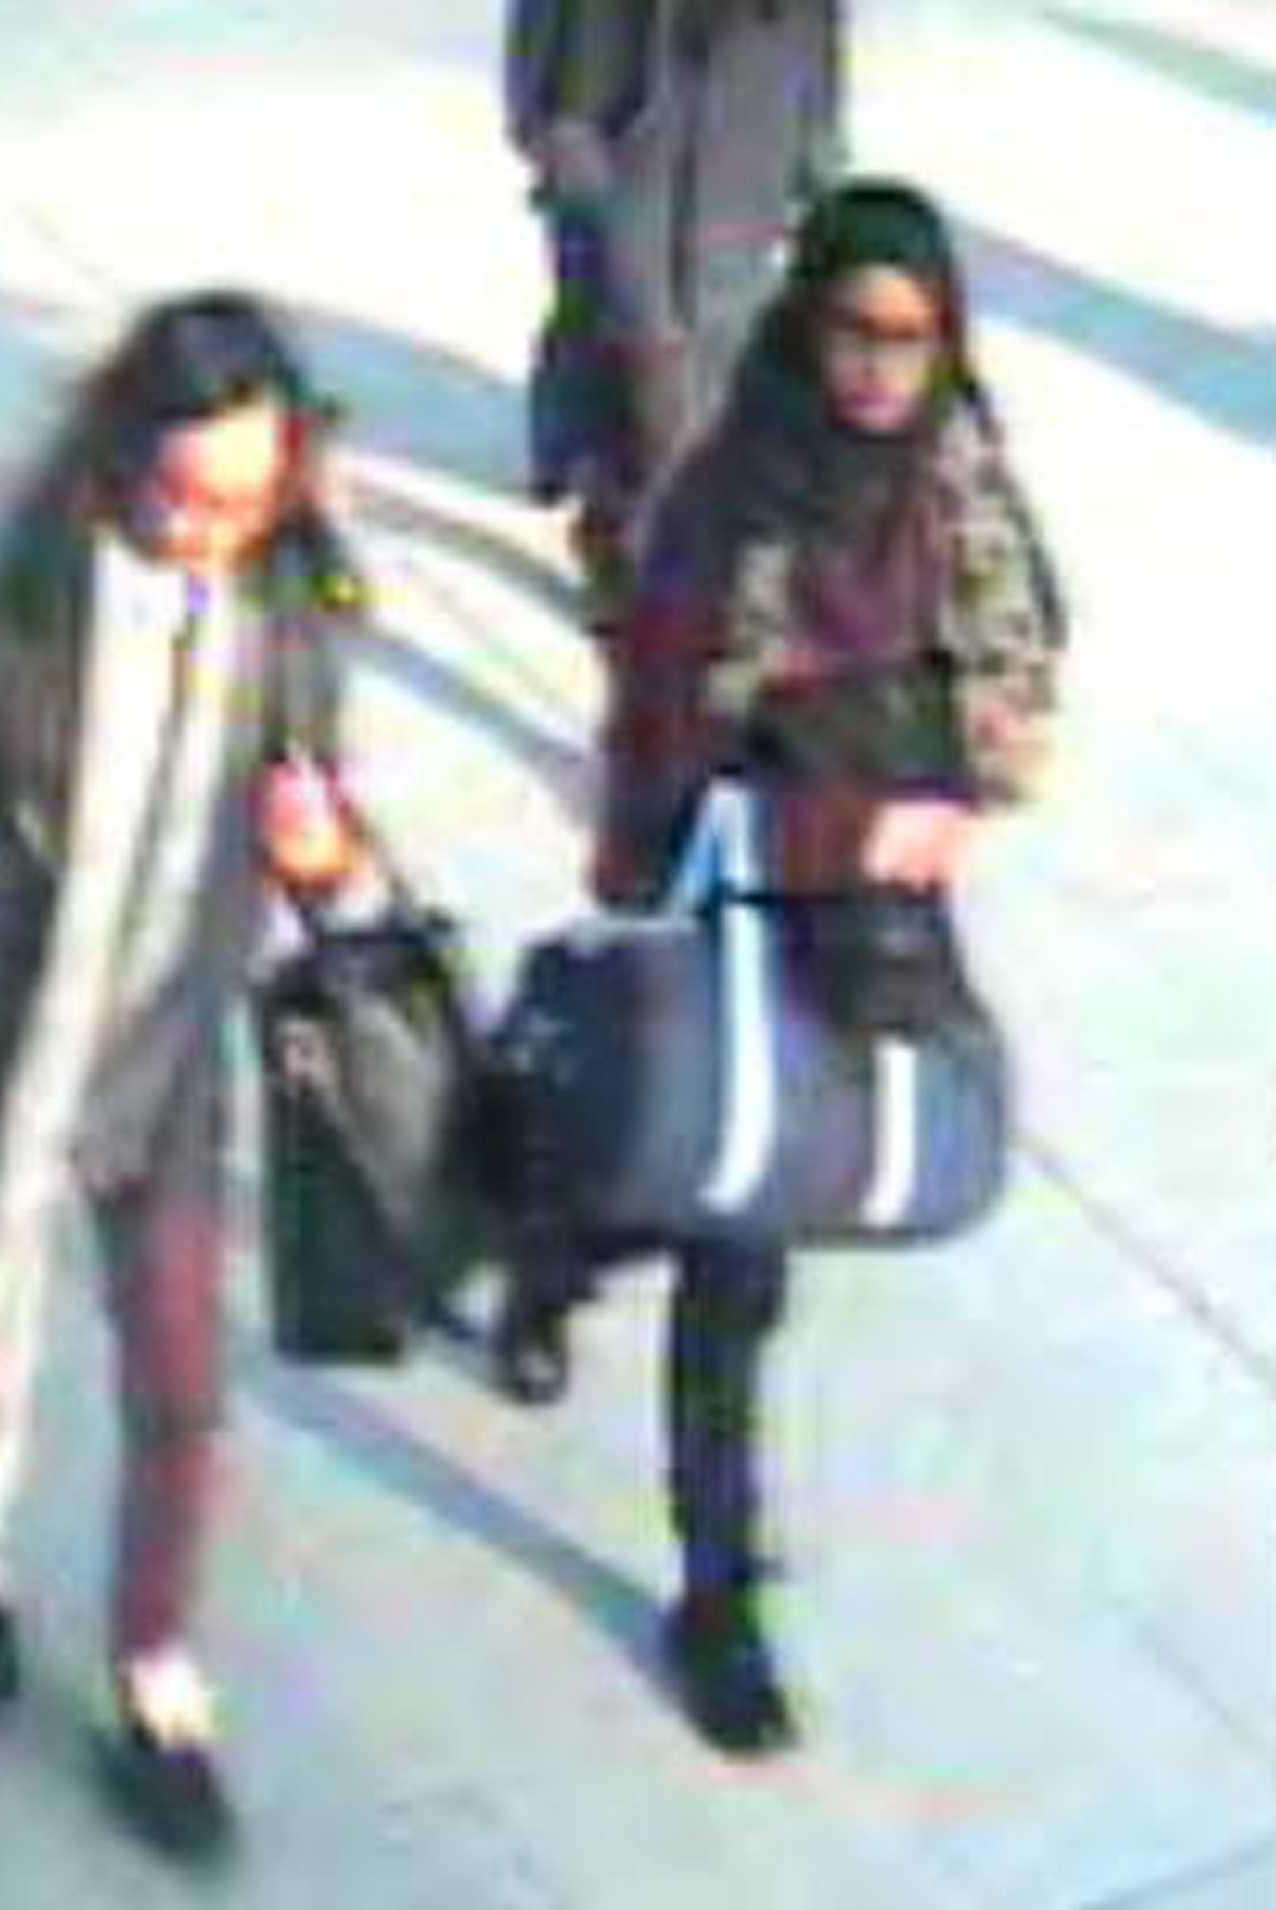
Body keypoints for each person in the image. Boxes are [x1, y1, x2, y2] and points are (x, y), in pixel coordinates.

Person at [0, 291, 364, 1866]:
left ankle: (155, 1669)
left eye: (245, 498)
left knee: (182, 1392)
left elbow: (322, 838)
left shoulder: (294, 597)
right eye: (181, 497)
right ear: (118, 460)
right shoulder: (16, 598)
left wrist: (325, 856)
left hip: (162, 1073)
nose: (209, 532)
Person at [492, 180, 1066, 1757]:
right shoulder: (729, 491)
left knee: (755, 1202)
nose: (882, 367)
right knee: (726, 1222)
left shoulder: (962, 484)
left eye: (914, 336)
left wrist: (956, 794)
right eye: (855, 330)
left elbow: (1020, 686)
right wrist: (768, 818)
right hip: (735, 888)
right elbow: (666, 716)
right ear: (805, 323)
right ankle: (717, 1586)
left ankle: (555, 1248)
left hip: (877, 914)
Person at [506, 0, 846, 627]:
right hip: (614, 109)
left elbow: (820, 23)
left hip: (750, 111)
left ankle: (662, 524)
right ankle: (636, 540)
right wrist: (542, 116)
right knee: (639, 326)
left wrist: (818, 141)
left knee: (718, 335)